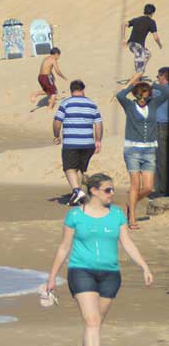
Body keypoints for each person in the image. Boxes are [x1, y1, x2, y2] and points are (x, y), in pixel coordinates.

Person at [45, 173, 154, 346]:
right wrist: (51, 278)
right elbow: (64, 247)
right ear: (93, 191)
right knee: (92, 320)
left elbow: (127, 242)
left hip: (110, 275)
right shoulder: (75, 215)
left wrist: (144, 266)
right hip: (81, 271)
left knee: (95, 322)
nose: (112, 193)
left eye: (113, 189)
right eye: (107, 190)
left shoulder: (117, 215)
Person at [114, 71, 169, 229]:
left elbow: (167, 92)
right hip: (132, 150)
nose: (143, 100)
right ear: (136, 96)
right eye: (140, 97)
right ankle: (132, 218)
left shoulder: (153, 103)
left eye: (145, 97)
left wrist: (153, 85)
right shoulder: (130, 105)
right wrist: (133, 83)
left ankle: (130, 204)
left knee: (148, 188)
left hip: (149, 150)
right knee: (135, 185)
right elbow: (120, 95)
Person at [53, 80, 102, 205]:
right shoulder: (92, 104)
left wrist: (56, 135)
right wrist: (98, 140)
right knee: (79, 169)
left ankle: (76, 190)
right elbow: (98, 124)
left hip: (71, 142)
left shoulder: (66, 103)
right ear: (83, 89)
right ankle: (79, 196)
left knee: (69, 168)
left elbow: (57, 121)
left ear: (71, 90)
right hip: (87, 143)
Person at [123, 3, 161, 75]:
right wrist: (160, 45)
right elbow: (156, 37)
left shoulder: (137, 19)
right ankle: (134, 79)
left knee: (148, 54)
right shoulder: (151, 22)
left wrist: (123, 39)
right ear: (152, 13)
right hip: (138, 47)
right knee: (140, 71)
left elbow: (124, 24)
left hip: (132, 45)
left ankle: (140, 72)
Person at [155, 67, 169, 197]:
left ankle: (162, 191)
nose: (157, 79)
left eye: (158, 77)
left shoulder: (159, 91)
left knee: (161, 160)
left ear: (163, 77)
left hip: (162, 126)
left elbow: (142, 92)